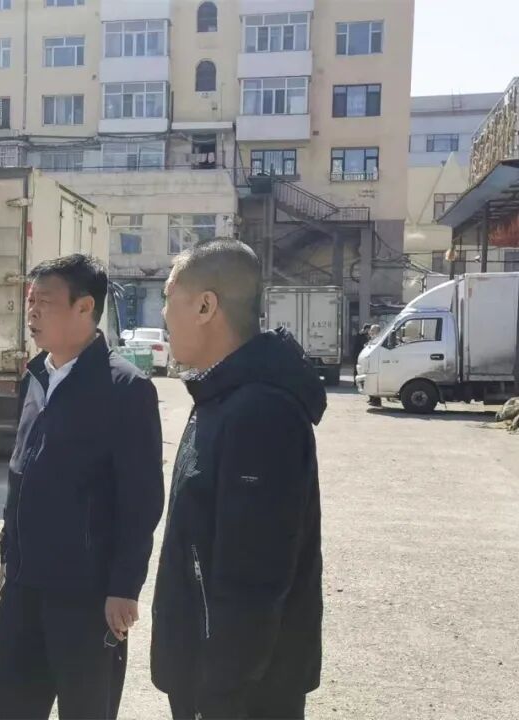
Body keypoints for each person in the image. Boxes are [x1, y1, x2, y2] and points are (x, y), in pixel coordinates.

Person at [0, 254, 164, 720]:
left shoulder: (125, 389)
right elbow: (20, 479)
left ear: (85, 307)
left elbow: (141, 500)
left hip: (87, 596)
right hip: (24, 587)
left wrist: (124, 586)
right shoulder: (36, 377)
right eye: (30, 301)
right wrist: (8, 560)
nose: (32, 312)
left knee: (86, 708)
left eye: (44, 301)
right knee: (6, 704)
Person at [150, 240, 325, 720]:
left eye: (169, 298)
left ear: (206, 306)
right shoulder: (219, 397)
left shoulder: (260, 412)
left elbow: (254, 579)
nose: (163, 315)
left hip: (240, 693)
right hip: (207, 676)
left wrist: (220, 694)